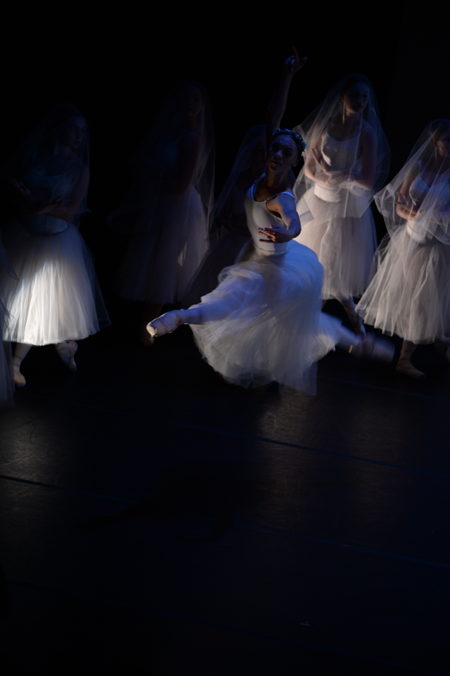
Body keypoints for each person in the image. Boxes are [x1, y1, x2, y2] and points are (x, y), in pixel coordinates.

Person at [145, 119, 393, 394]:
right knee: (248, 309)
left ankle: (178, 317)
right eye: (275, 148)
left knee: (283, 320)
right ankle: (361, 344)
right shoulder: (259, 180)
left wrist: (287, 233)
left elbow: (293, 222)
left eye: (286, 153)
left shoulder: (281, 198)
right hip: (260, 260)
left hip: (279, 269)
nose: (277, 155)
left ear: (293, 161)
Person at [0, 104, 109, 387]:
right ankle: (64, 345)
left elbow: (71, 210)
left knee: (40, 299)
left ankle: (16, 363)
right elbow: (17, 192)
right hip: (26, 234)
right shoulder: (36, 159)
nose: (78, 136)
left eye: (82, 131)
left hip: (56, 240)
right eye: (73, 129)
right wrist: (26, 201)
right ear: (59, 129)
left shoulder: (79, 169)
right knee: (30, 300)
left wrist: (42, 207)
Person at [109, 80, 215, 343]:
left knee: (164, 264)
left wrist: (155, 181)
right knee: (149, 260)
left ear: (202, 107)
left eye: (197, 100)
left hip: (177, 207)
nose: (191, 104)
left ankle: (148, 327)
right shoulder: (172, 133)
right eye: (187, 98)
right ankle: (137, 323)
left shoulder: (193, 137)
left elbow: (181, 184)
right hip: (161, 203)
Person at [293, 74, 390, 334]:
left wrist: (342, 175)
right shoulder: (325, 125)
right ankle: (337, 323)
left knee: (331, 268)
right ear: (342, 97)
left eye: (364, 97)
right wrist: (324, 177)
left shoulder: (366, 133)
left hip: (345, 208)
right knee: (314, 266)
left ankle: (315, 326)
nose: (360, 101)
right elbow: (309, 167)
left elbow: (367, 178)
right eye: (355, 95)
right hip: (318, 201)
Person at [356, 119, 450, 378]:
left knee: (423, 302)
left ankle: (407, 357)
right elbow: (399, 203)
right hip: (409, 241)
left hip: (435, 246)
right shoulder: (419, 167)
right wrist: (413, 214)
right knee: (410, 299)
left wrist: (433, 217)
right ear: (435, 142)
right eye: (446, 141)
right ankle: (434, 345)